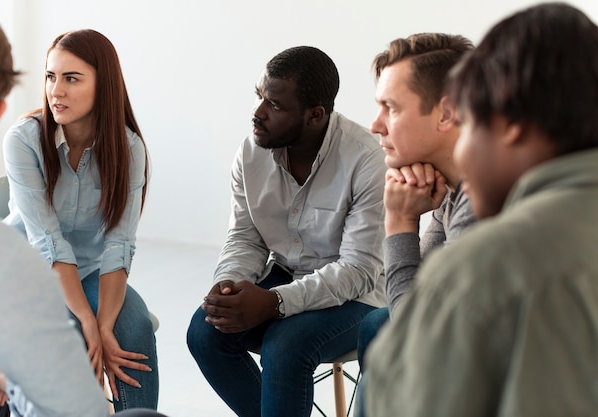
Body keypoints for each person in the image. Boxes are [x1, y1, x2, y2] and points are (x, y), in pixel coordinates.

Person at [366, 2, 598, 416]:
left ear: (509, 125)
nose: (376, 125)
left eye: (471, 123)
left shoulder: (486, 262)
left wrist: (399, 222)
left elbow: (416, 347)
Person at [0, 5, 166, 417]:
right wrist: (87, 320)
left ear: (104, 85)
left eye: (71, 78)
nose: (55, 90)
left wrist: (106, 324)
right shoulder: (23, 140)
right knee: (74, 332)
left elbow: (119, 244)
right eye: (50, 76)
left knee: (134, 328)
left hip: (93, 270)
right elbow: (47, 243)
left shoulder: (129, 149)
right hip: (32, 269)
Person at [186, 45, 386, 417]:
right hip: (288, 271)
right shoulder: (251, 152)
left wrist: (275, 302)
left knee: (286, 345)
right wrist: (228, 282)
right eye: (259, 96)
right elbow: (246, 237)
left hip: (361, 293)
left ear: (314, 115)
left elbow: (358, 270)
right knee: (205, 332)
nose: (257, 113)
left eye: (274, 105)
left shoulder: (366, 159)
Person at [357, 33, 476, 367]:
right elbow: (418, 295)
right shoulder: (453, 188)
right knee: (375, 324)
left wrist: (400, 221)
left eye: (390, 108)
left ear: (446, 114)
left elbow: (415, 332)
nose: (375, 125)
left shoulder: (481, 203)